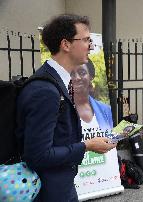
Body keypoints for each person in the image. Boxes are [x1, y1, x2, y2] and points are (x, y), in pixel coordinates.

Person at [15, 14, 116, 202]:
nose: (91, 46)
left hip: (62, 185)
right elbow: (38, 155)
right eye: (86, 40)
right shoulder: (45, 90)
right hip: (48, 191)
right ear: (66, 44)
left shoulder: (58, 82)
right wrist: (87, 145)